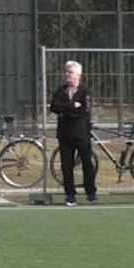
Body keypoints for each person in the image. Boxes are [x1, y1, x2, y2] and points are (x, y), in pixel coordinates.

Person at [49, 60, 97, 206]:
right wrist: (70, 106)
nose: (67, 75)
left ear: (78, 75)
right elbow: (54, 106)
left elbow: (84, 110)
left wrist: (65, 112)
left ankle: (91, 193)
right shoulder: (61, 90)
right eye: (66, 72)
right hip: (65, 134)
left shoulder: (85, 91)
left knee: (87, 163)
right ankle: (70, 195)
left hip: (81, 133)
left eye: (70, 72)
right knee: (66, 165)